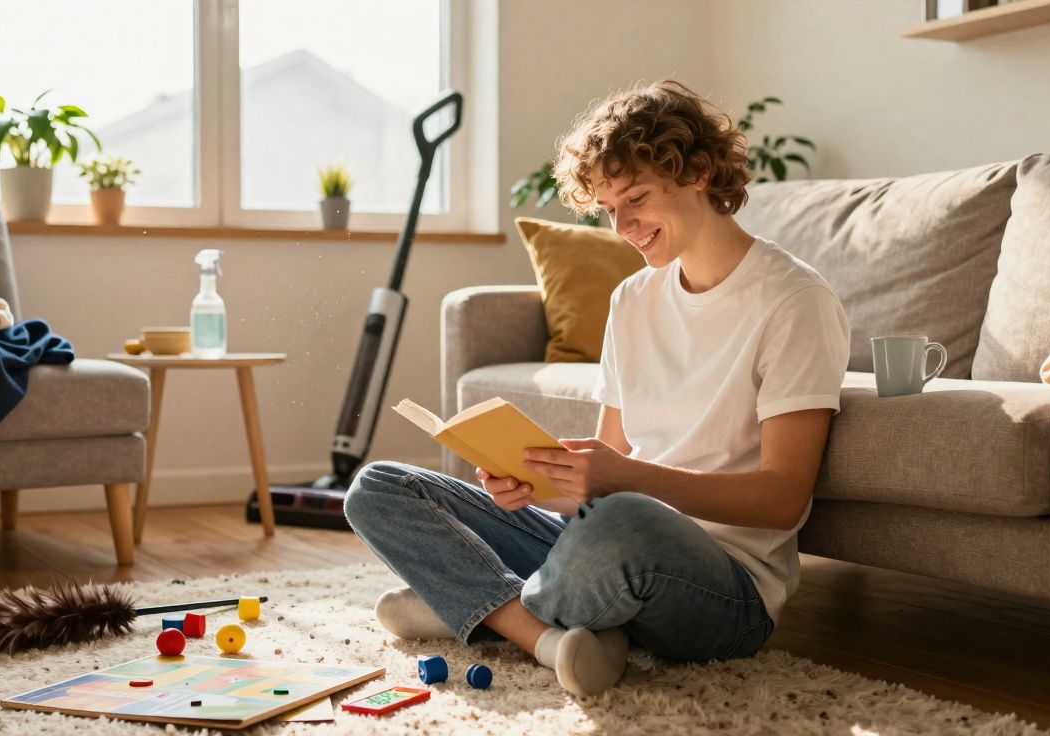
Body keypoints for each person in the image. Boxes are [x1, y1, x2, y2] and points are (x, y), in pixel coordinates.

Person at [343, 79, 850, 697]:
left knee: (624, 521)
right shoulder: (632, 298)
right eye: (609, 209)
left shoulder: (794, 301)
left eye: (635, 198)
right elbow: (606, 474)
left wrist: (621, 482)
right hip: (605, 537)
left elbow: (782, 500)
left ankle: (478, 607)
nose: (622, 227)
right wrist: (539, 485)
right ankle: (545, 633)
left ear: (698, 172)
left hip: (724, 587)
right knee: (379, 487)